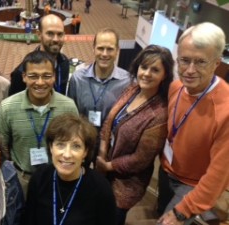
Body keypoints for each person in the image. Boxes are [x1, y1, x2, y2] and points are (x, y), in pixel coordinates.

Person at [157, 22, 229, 225]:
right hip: (167, 170)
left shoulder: (225, 110)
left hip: (192, 185)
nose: (189, 70)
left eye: (200, 62)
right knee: (161, 210)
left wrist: (182, 212)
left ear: (216, 63)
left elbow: (218, 176)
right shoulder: (176, 86)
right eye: (184, 60)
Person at [96, 44, 174, 225]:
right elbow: (110, 120)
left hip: (126, 184)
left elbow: (140, 160)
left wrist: (107, 166)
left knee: (113, 217)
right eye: (144, 67)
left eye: (155, 70)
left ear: (164, 75)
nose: (146, 73)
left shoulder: (160, 114)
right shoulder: (132, 89)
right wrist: (101, 153)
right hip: (104, 167)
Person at [0, 50, 78, 198]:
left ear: (54, 77)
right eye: (33, 76)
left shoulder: (68, 107)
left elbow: (75, 144)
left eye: (46, 76)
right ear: (24, 77)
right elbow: (1, 147)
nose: (40, 82)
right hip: (21, 181)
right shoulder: (7, 108)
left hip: (58, 178)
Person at [22, 113, 117, 225]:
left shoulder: (101, 188)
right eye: (60, 145)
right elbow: (28, 220)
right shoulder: (39, 178)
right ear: (51, 147)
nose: (67, 154)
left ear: (85, 152)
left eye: (76, 146)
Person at [67, 28, 130, 162]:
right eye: (100, 48)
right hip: (82, 141)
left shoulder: (127, 82)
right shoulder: (78, 79)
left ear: (117, 51)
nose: (104, 54)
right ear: (94, 49)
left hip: (110, 146)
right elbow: (71, 115)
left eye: (110, 49)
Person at [9, 14, 69, 96]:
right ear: (39, 34)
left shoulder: (64, 62)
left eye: (60, 34)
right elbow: (14, 104)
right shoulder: (21, 72)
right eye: (50, 34)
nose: (56, 39)